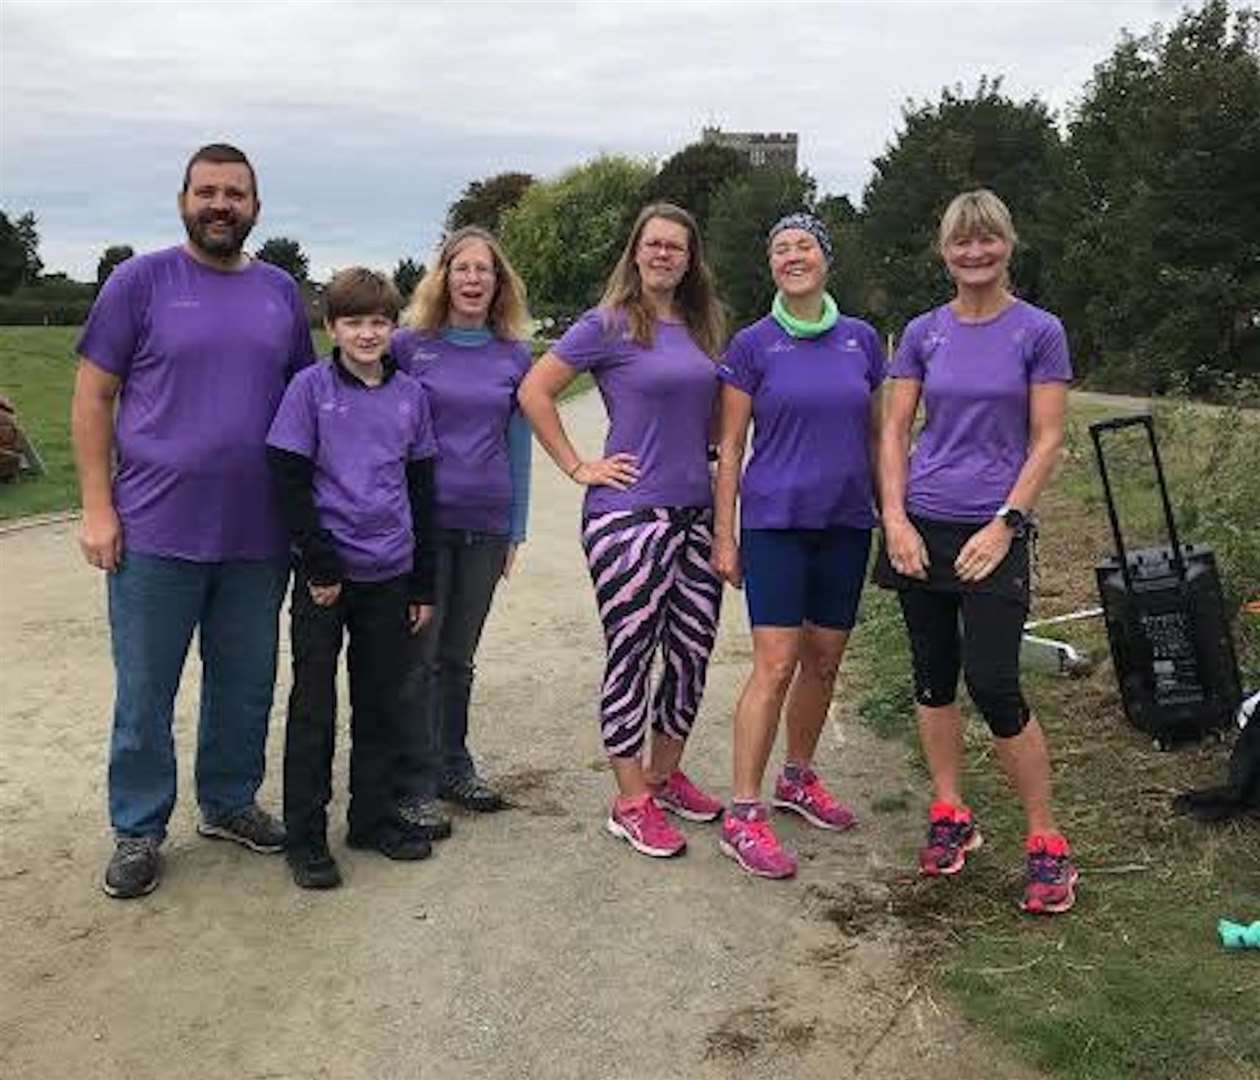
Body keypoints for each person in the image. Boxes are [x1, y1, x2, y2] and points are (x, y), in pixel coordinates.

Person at [71, 143, 316, 899]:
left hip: (258, 533)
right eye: (207, 191)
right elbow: (92, 397)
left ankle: (229, 802)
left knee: (245, 683)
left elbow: (305, 405)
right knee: (146, 691)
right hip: (153, 531)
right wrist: (96, 505)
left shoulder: (280, 293)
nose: (220, 205)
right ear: (183, 200)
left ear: (255, 207)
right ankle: (139, 828)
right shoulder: (138, 283)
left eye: (234, 193)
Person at [875, 188, 1078, 915]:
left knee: (994, 682)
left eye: (987, 239)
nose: (974, 252)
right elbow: (895, 431)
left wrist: (1005, 525)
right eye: (961, 241)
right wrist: (894, 519)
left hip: (995, 528)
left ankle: (1047, 842)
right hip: (921, 523)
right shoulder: (924, 332)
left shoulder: (1039, 331)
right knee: (932, 679)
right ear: (945, 252)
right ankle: (951, 814)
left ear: (1007, 244)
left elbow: (1048, 437)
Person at [518, 202, 726, 859]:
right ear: (636, 253)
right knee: (634, 653)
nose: (664, 254)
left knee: (692, 652)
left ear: (691, 259)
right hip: (629, 516)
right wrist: (580, 465)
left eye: (677, 247)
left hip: (696, 514)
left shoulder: (702, 326)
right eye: (654, 244)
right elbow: (534, 390)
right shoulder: (608, 324)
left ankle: (665, 775)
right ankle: (630, 796)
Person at [711, 212, 884, 880]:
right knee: (775, 664)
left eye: (803, 245)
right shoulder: (753, 344)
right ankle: (744, 813)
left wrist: (891, 512)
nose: (792, 256)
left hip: (845, 521)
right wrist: (724, 535)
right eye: (780, 248)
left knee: (825, 661)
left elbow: (877, 438)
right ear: (771, 265)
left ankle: (798, 777)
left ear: (825, 259)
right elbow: (729, 447)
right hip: (775, 521)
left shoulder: (862, 341)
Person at [267, 268, 438, 889]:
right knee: (314, 705)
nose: (368, 333)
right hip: (326, 576)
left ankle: (371, 818)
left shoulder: (411, 396)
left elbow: (421, 490)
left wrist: (422, 584)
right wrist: (319, 562)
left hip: (390, 572)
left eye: (379, 322)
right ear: (331, 328)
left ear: (394, 328)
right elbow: (288, 477)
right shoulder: (309, 389)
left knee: (380, 701)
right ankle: (305, 836)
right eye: (354, 322)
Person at [390, 227, 533, 827]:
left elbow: (518, 443)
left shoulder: (514, 355)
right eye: (463, 268)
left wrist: (515, 528)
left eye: (485, 270)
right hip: (421, 525)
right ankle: (412, 776)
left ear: (499, 284)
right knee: (416, 654)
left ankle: (454, 765)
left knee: (459, 656)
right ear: (443, 277)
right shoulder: (408, 347)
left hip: (484, 523)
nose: (473, 279)